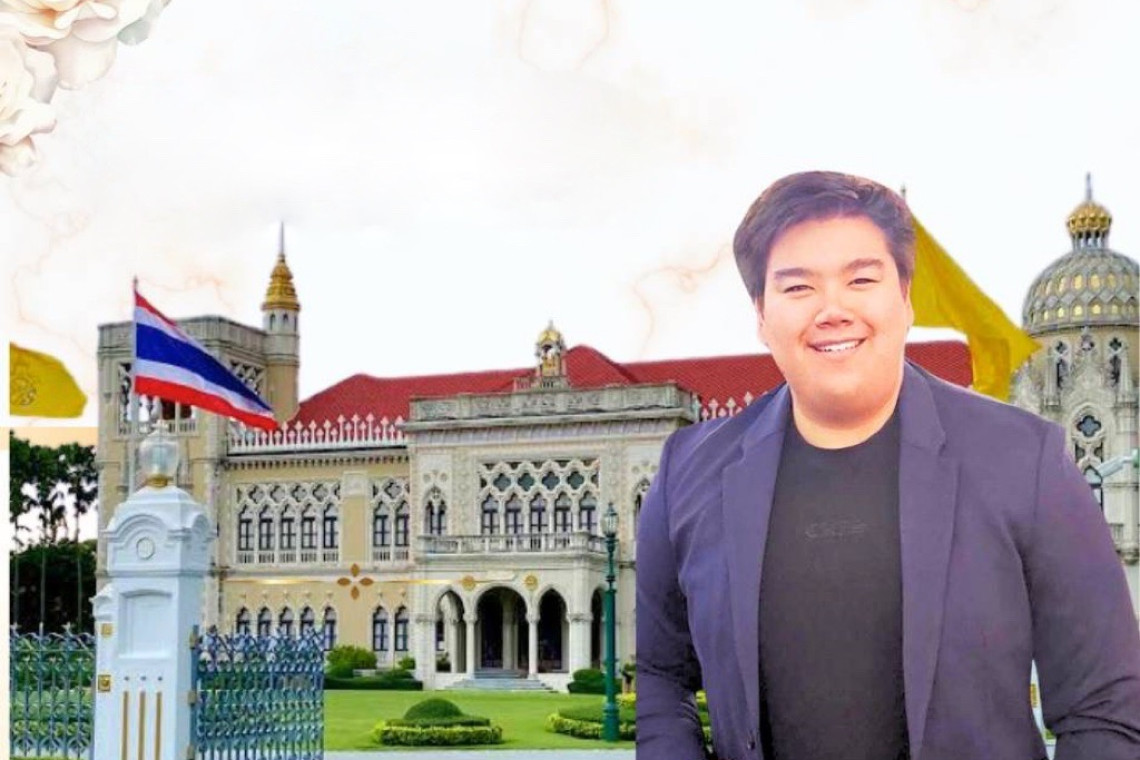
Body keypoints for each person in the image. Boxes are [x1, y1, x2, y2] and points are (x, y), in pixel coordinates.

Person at [635, 170, 1140, 760]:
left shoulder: (1024, 460)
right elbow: (660, 677)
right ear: (761, 314)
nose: (833, 309)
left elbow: (1105, 705)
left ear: (905, 299)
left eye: (861, 279)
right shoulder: (689, 473)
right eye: (798, 287)